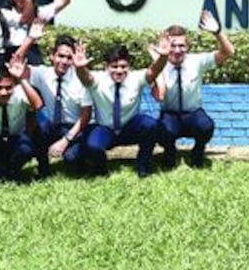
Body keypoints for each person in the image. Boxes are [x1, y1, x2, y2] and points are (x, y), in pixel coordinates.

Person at [154, 10, 235, 167]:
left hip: (193, 113)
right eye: (173, 45)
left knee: (206, 126)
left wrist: (217, 33)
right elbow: (159, 96)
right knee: (162, 131)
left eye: (182, 45)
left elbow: (228, 52)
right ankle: (170, 153)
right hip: (170, 114)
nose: (177, 50)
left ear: (188, 47)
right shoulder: (159, 65)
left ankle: (197, 152)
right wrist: (158, 64)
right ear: (165, 46)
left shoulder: (196, 61)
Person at [75, 41, 168, 177]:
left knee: (151, 125)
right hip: (106, 129)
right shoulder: (98, 79)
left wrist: (163, 57)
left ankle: (143, 166)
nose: (119, 71)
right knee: (92, 145)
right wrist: (79, 68)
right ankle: (101, 171)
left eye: (123, 66)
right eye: (114, 66)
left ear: (129, 67)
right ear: (107, 67)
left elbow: (153, 71)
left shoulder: (136, 78)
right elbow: (86, 78)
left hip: (129, 129)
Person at [17, 23, 92, 176]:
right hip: (53, 125)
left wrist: (65, 140)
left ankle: (84, 161)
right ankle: (43, 167)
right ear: (52, 55)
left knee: (71, 158)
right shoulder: (42, 74)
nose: (64, 61)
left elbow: (85, 116)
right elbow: (16, 64)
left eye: (69, 57)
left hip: (76, 127)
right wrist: (30, 39)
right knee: (37, 131)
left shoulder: (81, 79)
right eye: (60, 56)